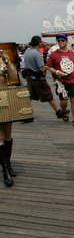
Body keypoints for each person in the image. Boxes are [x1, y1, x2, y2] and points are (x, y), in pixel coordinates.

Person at [46, 34, 74, 127]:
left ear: (67, 42)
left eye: (62, 40)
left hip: (73, 79)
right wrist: (56, 71)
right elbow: (49, 67)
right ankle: (64, 111)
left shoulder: (73, 54)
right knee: (64, 101)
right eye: (58, 41)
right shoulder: (54, 54)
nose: (60, 42)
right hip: (61, 82)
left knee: (73, 99)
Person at [22, 36, 63, 119]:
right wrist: (49, 66)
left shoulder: (27, 51)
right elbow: (41, 68)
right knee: (48, 95)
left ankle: (25, 113)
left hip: (29, 77)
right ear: (39, 42)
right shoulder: (37, 54)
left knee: (30, 95)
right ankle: (58, 111)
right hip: (38, 79)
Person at [0, 51, 19, 186]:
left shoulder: (3, 60)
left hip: (5, 100)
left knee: (7, 135)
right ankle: (5, 170)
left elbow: (14, 78)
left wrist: (7, 62)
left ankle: (8, 163)